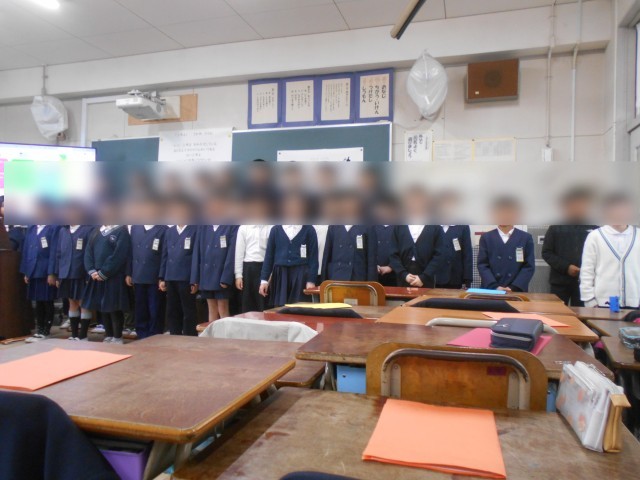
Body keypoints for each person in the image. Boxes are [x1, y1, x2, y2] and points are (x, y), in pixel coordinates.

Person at [580, 194, 640, 309]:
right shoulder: (595, 236)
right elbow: (587, 271)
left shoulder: (638, 236)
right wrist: (589, 300)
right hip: (603, 303)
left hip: (635, 304)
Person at [542, 190, 598, 305]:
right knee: (558, 312)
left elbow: (599, 254)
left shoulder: (595, 228)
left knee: (582, 314)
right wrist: (566, 267)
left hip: (584, 283)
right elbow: (547, 252)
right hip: (559, 282)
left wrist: (585, 269)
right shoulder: (556, 226)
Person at [388, 187, 447, 288]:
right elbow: (393, 254)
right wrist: (404, 275)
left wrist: (424, 278)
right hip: (403, 279)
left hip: (427, 280)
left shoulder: (435, 227)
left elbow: (440, 255)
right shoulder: (399, 226)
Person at [83, 225, 131, 344]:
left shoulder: (121, 231)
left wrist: (105, 272)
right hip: (97, 275)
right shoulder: (96, 231)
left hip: (114, 275)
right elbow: (88, 252)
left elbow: (119, 255)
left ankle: (117, 336)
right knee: (102, 306)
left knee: (114, 306)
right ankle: (108, 334)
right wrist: (91, 270)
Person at [477, 198, 535, 292]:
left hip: (516, 290)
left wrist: (514, 287)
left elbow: (529, 266)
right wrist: (494, 286)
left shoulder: (526, 238)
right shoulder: (486, 238)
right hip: (491, 289)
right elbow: (482, 265)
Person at [54, 224, 95, 340]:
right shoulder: (63, 231)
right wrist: (58, 274)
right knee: (72, 303)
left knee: (83, 303)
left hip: (81, 272)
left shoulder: (88, 229)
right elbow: (59, 254)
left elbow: (90, 253)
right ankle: (74, 334)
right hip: (66, 274)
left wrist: (89, 273)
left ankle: (83, 335)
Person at [126, 225, 167, 339]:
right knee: (140, 307)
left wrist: (162, 276)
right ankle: (142, 334)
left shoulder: (163, 230)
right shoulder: (135, 228)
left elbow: (164, 255)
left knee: (155, 308)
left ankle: (155, 335)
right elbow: (130, 252)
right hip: (138, 274)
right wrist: (129, 272)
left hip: (155, 277)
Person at [20, 225, 60, 342]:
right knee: (38, 302)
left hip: (45, 271)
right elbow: (26, 251)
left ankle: (46, 330)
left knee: (47, 300)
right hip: (33, 270)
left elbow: (54, 252)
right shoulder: (31, 229)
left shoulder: (53, 228)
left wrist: (52, 272)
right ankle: (40, 329)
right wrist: (26, 271)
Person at [191, 225, 238, 322]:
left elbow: (232, 254)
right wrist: (194, 279)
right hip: (206, 274)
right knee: (212, 309)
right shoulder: (203, 227)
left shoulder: (231, 226)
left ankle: (225, 332)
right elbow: (197, 253)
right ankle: (212, 332)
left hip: (221, 275)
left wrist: (226, 277)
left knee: (223, 308)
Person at [159, 224, 198, 335]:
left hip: (186, 277)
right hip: (171, 276)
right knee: (172, 310)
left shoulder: (195, 229)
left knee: (188, 310)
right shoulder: (169, 231)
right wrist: (162, 277)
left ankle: (189, 336)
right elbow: (165, 255)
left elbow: (196, 256)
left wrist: (194, 279)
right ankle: (174, 335)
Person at [235, 224, 272, 313]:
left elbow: (272, 253)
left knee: (263, 303)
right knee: (248, 302)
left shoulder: (271, 228)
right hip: (248, 269)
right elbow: (239, 253)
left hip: (264, 267)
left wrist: (270, 274)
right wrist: (238, 275)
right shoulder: (243, 228)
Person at [437, 225, 473, 289]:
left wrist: (467, 280)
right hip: (435, 277)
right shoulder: (432, 226)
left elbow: (467, 254)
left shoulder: (463, 226)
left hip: (454, 278)